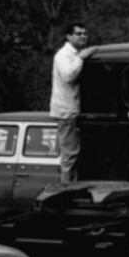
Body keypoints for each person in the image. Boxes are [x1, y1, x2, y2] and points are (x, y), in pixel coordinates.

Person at [50, 22, 91, 183]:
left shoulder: (75, 54)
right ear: (68, 36)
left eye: (84, 33)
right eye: (78, 33)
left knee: (75, 152)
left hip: (73, 110)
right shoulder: (63, 55)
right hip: (66, 111)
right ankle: (66, 188)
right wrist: (81, 58)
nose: (82, 36)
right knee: (70, 153)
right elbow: (68, 76)